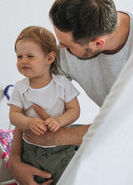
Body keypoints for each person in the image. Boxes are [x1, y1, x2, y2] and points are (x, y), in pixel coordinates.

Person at [8, 0, 133, 185]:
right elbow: (29, 100)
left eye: (67, 45)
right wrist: (14, 160)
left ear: (98, 43)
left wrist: (60, 137)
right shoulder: (67, 50)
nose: (60, 49)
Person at [8, 26, 81, 185]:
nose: (23, 61)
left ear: (49, 58)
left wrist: (59, 121)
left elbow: (74, 110)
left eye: (30, 56)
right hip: (31, 151)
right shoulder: (20, 87)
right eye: (19, 56)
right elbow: (13, 115)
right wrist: (29, 122)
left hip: (61, 149)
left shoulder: (61, 84)